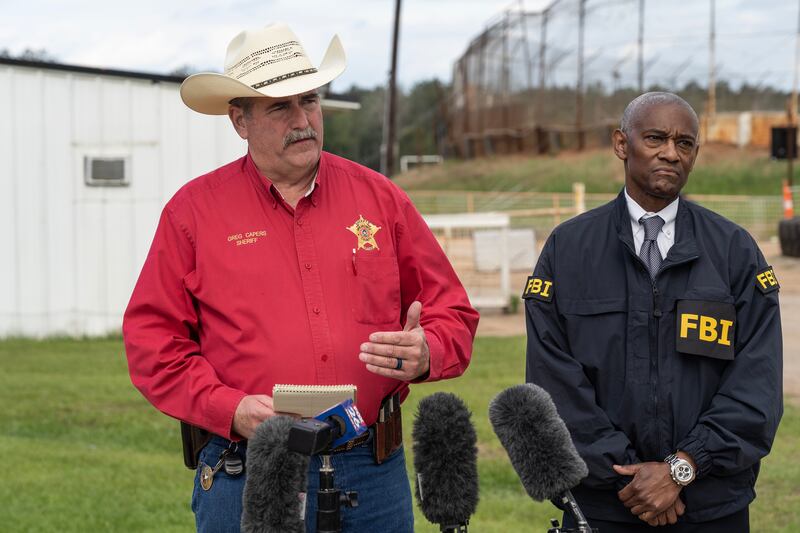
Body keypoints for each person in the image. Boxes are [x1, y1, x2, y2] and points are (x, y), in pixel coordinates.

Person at [122, 23, 479, 533]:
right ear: (239, 121)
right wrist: (231, 408)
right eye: (279, 107)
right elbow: (152, 342)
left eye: (309, 101)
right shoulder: (193, 213)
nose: (302, 119)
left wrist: (428, 351)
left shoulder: (381, 199)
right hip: (247, 469)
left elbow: (454, 314)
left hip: (372, 472)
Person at [524, 92, 782, 532]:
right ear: (622, 144)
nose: (670, 152)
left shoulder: (735, 252)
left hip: (711, 507)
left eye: (685, 143)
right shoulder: (568, 250)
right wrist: (630, 477)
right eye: (656, 138)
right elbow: (553, 383)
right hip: (603, 508)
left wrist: (683, 467)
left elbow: (756, 384)